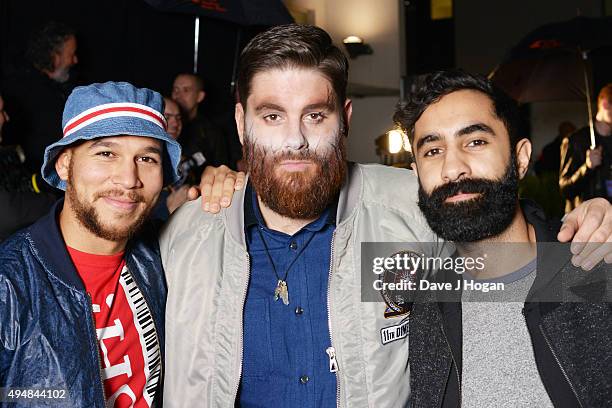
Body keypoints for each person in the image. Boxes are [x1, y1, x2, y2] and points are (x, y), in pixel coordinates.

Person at [160, 24, 612, 407]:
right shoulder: (185, 237)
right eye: (273, 115)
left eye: (315, 115)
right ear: (241, 124)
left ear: (345, 118)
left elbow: (493, 236)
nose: (295, 140)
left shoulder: (403, 216)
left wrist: (586, 227)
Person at [393, 70, 611, 407]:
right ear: (416, 174)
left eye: (475, 141)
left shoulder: (594, 267)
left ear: (520, 159)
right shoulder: (426, 305)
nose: (453, 168)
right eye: (432, 151)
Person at [0, 82, 182, 407]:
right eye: (106, 153)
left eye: (147, 158)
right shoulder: (9, 286)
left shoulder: (164, 254)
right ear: (64, 164)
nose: (129, 179)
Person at [2, 21, 78, 172]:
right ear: (55, 58)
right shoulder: (46, 100)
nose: (75, 60)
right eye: (71, 55)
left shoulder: (12, 81)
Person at [0, 92, 57, 241]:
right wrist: (63, 205)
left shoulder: (8, 153)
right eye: (0, 111)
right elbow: (8, 214)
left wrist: (41, 182)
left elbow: (17, 185)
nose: (6, 117)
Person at [172, 73, 241, 169]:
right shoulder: (161, 125)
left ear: (200, 96)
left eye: (186, 90)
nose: (178, 95)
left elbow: (222, 168)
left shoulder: (211, 132)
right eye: (175, 89)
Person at [560, 84, 612, 212]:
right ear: (605, 104)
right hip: (584, 221)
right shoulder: (575, 140)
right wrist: (587, 167)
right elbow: (565, 189)